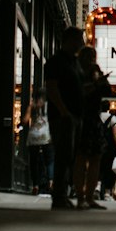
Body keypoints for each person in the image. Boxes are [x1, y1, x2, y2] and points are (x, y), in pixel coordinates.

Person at [44, 27, 84, 210]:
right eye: (79, 40)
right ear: (69, 40)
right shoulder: (56, 62)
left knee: (70, 156)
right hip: (62, 117)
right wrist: (63, 111)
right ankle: (58, 196)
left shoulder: (74, 62)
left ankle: (63, 194)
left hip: (74, 116)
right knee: (62, 155)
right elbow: (52, 88)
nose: (82, 44)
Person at [73, 46, 112, 209]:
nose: (92, 60)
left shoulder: (93, 70)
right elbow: (76, 92)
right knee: (83, 158)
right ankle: (82, 197)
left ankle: (87, 196)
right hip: (82, 117)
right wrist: (95, 84)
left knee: (93, 158)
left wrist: (101, 80)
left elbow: (107, 90)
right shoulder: (76, 71)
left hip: (90, 119)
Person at [24, 87, 53, 196]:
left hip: (33, 136)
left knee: (34, 162)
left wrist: (21, 125)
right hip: (46, 136)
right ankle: (51, 182)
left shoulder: (32, 106)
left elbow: (25, 120)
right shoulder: (48, 106)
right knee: (49, 160)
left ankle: (35, 185)